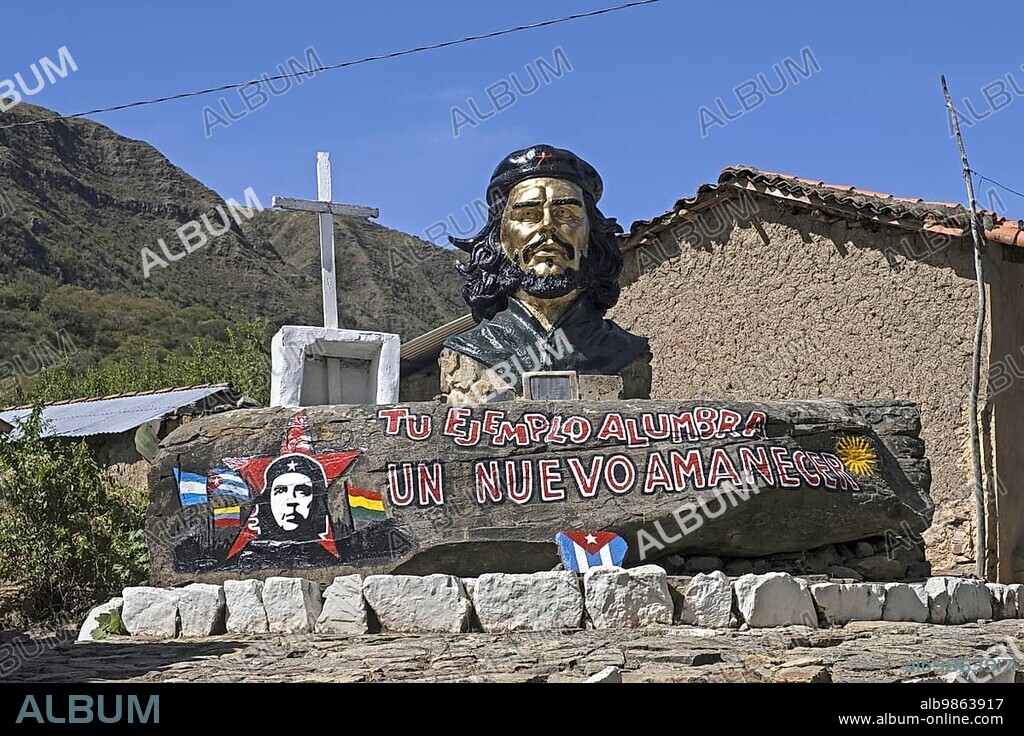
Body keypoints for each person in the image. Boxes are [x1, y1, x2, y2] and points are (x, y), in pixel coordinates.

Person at [441, 144, 650, 404]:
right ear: (500, 237)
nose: (548, 227)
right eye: (528, 214)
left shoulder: (625, 352)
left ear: (591, 234)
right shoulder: (473, 350)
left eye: (565, 213)